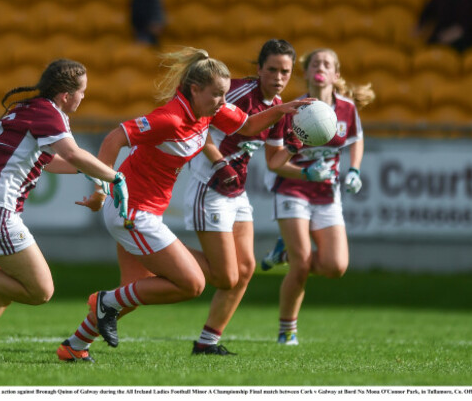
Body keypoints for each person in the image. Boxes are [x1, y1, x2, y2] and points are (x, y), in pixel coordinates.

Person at [56, 47, 311, 362]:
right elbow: (113, 138)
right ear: (195, 89)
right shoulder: (170, 118)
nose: (223, 100)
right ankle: (104, 301)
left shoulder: (210, 110)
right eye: (217, 94)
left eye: (224, 94)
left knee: (136, 291)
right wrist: (99, 186)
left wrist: (285, 109)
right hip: (131, 213)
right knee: (191, 284)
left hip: (147, 213)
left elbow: (248, 126)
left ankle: (74, 346)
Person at [0, 59, 129, 362]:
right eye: (82, 91)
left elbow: (51, 161)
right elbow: (72, 153)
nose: (84, 97)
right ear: (65, 94)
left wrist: (94, 175)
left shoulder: (32, 109)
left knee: (6, 287)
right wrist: (115, 177)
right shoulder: (49, 114)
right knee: (40, 291)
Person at [183, 39, 302, 355]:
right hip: (209, 187)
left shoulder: (278, 106)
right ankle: (158, 251)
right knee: (226, 275)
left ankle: (207, 342)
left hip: (236, 193)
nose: (278, 77)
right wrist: (219, 162)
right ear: (259, 68)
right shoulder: (235, 93)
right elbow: (199, 129)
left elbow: (275, 160)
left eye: (285, 71)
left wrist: (296, 146)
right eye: (272, 69)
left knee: (245, 268)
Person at [260, 48, 375, 346]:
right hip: (293, 189)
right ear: (307, 72)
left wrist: (355, 170)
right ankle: (287, 330)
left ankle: (284, 252)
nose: (320, 67)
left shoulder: (347, 108)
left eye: (327, 64)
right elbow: (274, 161)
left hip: (327, 193)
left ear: (336, 75)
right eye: (315, 63)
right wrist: (305, 174)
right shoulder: (291, 110)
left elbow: (356, 139)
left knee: (335, 267)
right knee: (301, 266)